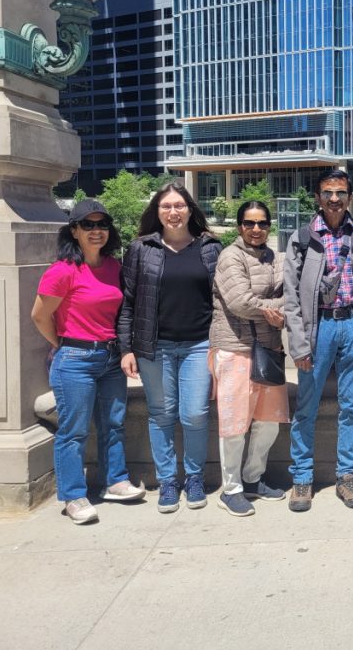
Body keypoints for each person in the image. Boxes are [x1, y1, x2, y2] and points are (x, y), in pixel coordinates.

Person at [31, 200, 145, 524]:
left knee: (113, 423)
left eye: (102, 225)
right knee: (74, 431)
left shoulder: (113, 267)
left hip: (110, 358)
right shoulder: (63, 270)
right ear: (75, 230)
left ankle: (115, 481)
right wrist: (65, 345)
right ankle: (73, 496)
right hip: (75, 359)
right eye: (89, 225)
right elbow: (39, 316)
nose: (97, 231)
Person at [284, 169, 353, 512]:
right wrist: (299, 344)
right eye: (328, 193)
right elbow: (291, 298)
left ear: (350, 198)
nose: (334, 199)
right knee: (306, 407)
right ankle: (302, 477)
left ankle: (346, 476)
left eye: (341, 193)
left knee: (351, 407)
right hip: (319, 330)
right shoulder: (301, 238)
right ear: (317, 197)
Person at [118, 182, 221, 513]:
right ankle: (167, 481)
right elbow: (128, 303)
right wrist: (126, 348)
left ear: (190, 209)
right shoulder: (141, 249)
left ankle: (193, 478)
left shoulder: (210, 248)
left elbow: (221, 301)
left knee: (194, 414)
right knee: (161, 414)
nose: (173, 212)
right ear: (157, 213)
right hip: (154, 346)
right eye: (166, 207)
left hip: (198, 344)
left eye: (179, 205)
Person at [209, 201, 289, 517]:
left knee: (269, 422)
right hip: (233, 348)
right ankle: (231, 489)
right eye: (249, 223)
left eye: (262, 223)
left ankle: (253, 478)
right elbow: (240, 302)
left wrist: (277, 308)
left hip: (268, 349)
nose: (256, 229)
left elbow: (293, 294)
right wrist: (277, 309)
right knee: (234, 424)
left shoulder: (274, 257)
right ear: (239, 226)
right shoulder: (230, 257)